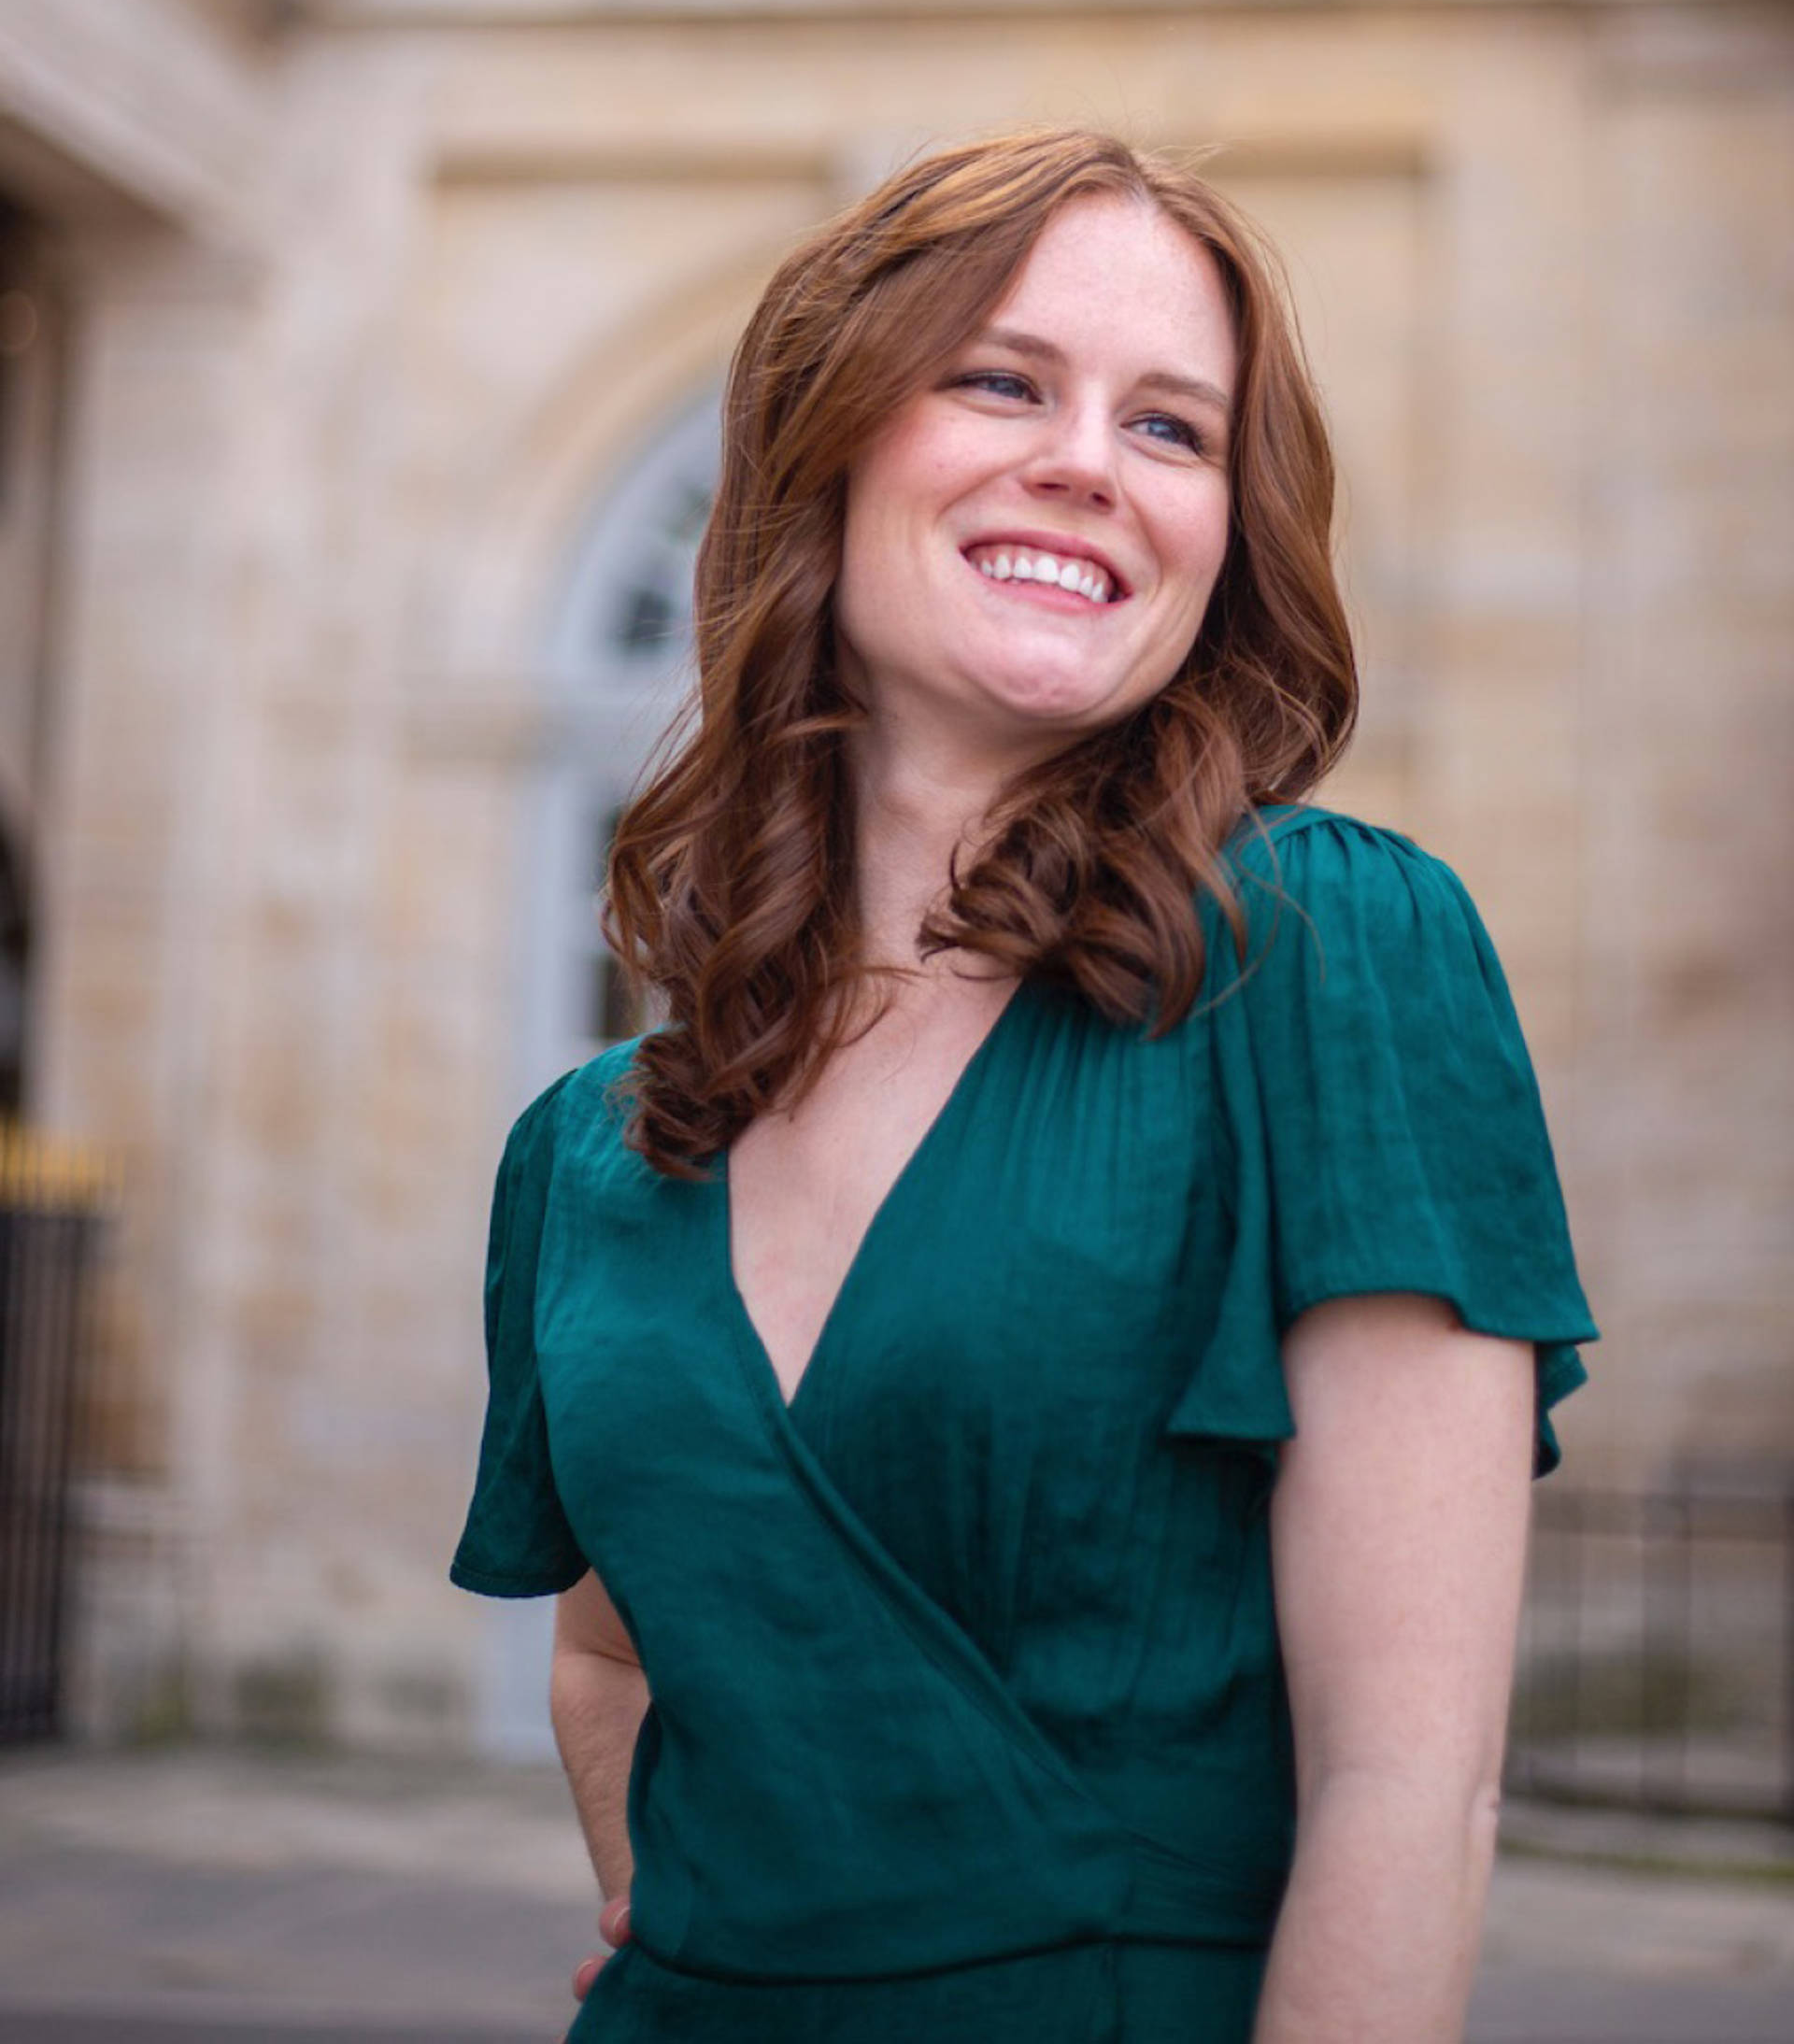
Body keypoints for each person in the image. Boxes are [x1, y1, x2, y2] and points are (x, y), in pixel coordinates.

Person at [450, 128, 1598, 2043]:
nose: (1088, 460)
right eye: (1002, 381)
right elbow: (608, 1662)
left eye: (1171, 427)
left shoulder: (1332, 952)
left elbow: (1407, 1788)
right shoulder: (589, 1149)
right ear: (824, 451)